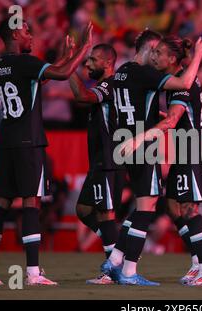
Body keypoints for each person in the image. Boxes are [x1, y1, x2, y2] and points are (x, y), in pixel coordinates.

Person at [0, 16, 94, 286]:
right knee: (31, 203)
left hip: (5, 141)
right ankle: (32, 273)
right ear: (16, 34)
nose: (31, 35)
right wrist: (83, 50)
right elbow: (62, 75)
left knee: (1, 204)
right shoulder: (26, 62)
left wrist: (64, 57)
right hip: (29, 141)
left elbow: (34, 83)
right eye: (27, 31)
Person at [103, 29, 202, 286]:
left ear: (173, 58)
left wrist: (141, 137)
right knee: (170, 206)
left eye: (160, 53)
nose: (155, 56)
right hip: (176, 147)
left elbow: (174, 118)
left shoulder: (180, 79)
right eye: (155, 50)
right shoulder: (162, 79)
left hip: (193, 147)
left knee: (186, 208)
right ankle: (196, 263)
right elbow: (174, 117)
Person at [68, 43, 125, 284]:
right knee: (83, 210)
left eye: (92, 60)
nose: (87, 64)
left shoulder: (109, 86)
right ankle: (119, 251)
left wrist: (69, 65)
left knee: (105, 213)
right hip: (100, 159)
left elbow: (81, 96)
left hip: (109, 158)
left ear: (108, 63)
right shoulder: (107, 85)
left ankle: (113, 270)